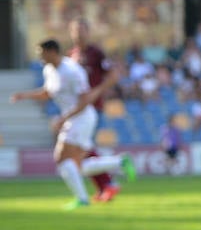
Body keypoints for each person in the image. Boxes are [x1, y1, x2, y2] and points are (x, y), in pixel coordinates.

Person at [11, 39, 136, 209]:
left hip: (82, 117)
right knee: (78, 167)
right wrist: (24, 96)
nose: (40, 57)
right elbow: (48, 92)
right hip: (73, 118)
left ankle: (82, 199)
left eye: (42, 53)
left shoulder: (72, 71)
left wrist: (63, 118)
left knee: (61, 158)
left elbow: (84, 101)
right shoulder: (49, 69)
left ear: (53, 52)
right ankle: (119, 162)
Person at [68, 17, 122, 202]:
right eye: (75, 30)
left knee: (83, 148)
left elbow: (114, 75)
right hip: (76, 110)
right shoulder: (71, 56)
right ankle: (105, 186)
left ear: (88, 32)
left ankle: (108, 182)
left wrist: (97, 91)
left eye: (82, 29)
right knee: (84, 149)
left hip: (92, 108)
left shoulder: (96, 53)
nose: (78, 33)